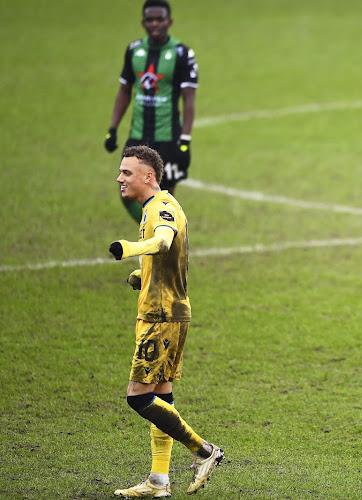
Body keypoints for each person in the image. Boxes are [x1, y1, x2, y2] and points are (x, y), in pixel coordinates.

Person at [109, 145, 223, 497]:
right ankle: (159, 481)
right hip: (163, 311)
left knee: (138, 397)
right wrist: (140, 274)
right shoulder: (154, 207)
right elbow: (165, 259)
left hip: (162, 317)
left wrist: (129, 248)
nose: (119, 178)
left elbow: (162, 242)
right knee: (162, 396)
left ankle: (204, 451)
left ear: (148, 176)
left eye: (127, 173)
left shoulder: (161, 208)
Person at [104, 0, 198, 223]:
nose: (155, 24)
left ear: (169, 22)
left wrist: (184, 139)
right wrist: (113, 129)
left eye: (160, 19)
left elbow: (189, 98)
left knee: (165, 195)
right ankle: (157, 229)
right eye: (150, 19)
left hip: (168, 137)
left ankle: (164, 239)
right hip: (138, 136)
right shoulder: (134, 50)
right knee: (126, 191)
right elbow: (124, 91)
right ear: (143, 22)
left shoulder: (182, 53)